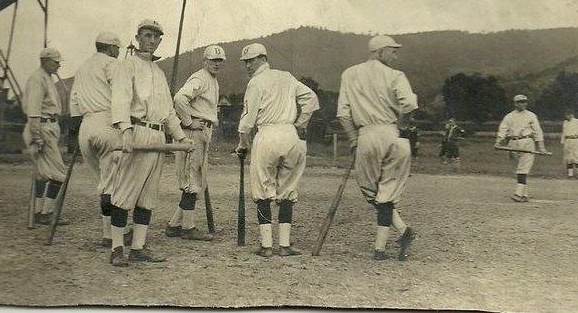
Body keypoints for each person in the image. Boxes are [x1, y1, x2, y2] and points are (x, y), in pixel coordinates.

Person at [107, 19, 192, 266]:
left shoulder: (159, 72)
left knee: (148, 195)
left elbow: (168, 112)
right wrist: (125, 131)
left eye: (156, 37)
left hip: (158, 137)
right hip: (137, 132)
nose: (151, 41)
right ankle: (116, 249)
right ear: (137, 38)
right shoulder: (127, 66)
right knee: (124, 193)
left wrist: (181, 137)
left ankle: (138, 248)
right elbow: (120, 100)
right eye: (147, 35)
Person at [337, 35, 418, 261]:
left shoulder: (349, 74)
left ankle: (381, 248)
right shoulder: (396, 75)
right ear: (379, 51)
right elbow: (409, 104)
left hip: (366, 135)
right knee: (387, 192)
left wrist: (353, 139)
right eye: (392, 51)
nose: (395, 56)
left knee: (372, 192)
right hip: (394, 134)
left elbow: (343, 114)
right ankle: (401, 232)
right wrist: (402, 125)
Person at [235, 43, 319, 257]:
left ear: (263, 58)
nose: (247, 65)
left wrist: (243, 143)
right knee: (287, 190)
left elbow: (247, 119)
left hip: (267, 134)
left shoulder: (255, 83)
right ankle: (284, 245)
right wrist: (301, 123)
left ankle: (266, 246)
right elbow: (311, 99)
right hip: (291, 135)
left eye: (251, 60)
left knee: (263, 189)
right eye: (245, 62)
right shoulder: (287, 76)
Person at [165, 45, 226, 242]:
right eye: (213, 60)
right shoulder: (200, 77)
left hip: (202, 130)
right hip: (193, 131)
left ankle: (174, 225)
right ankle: (188, 227)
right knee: (192, 179)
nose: (216, 64)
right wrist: (189, 121)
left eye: (220, 61)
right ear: (204, 61)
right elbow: (179, 98)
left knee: (197, 178)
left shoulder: (211, 80)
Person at [69, 32, 124, 247]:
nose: (118, 52)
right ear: (111, 48)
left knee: (101, 183)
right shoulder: (112, 64)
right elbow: (120, 94)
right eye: (117, 49)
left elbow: (73, 101)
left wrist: (75, 132)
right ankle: (109, 235)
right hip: (106, 122)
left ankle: (109, 230)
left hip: (85, 124)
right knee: (112, 183)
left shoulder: (82, 67)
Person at [22, 47, 70, 225]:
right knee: (59, 174)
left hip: (49, 126)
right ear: (45, 60)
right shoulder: (37, 79)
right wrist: (38, 137)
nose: (58, 65)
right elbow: (33, 112)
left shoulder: (47, 77)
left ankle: (37, 212)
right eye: (55, 62)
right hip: (41, 127)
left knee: (43, 174)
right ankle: (46, 213)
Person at [495, 94, 547, 203]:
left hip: (527, 142)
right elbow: (503, 129)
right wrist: (498, 141)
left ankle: (518, 193)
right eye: (520, 102)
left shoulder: (531, 115)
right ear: (515, 104)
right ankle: (524, 195)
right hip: (512, 143)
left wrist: (541, 147)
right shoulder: (509, 116)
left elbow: (537, 131)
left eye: (525, 102)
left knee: (523, 169)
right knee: (518, 169)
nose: (523, 104)